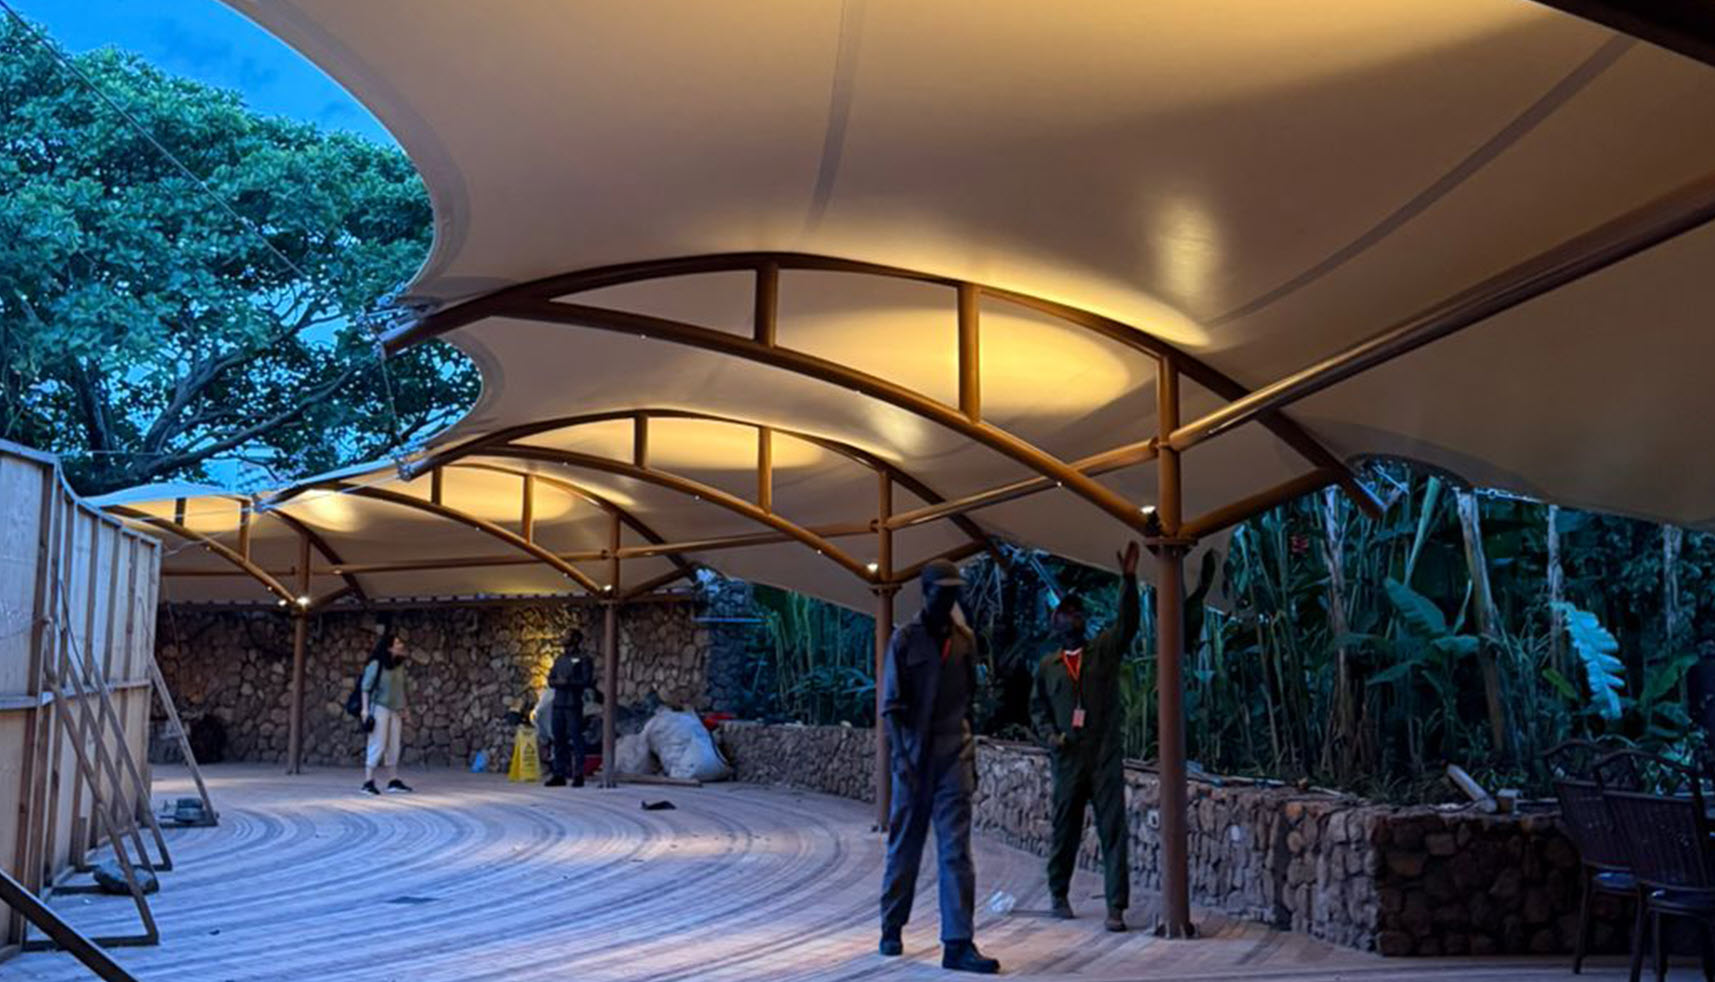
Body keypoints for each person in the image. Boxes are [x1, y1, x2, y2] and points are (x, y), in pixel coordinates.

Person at [878, 560, 1000, 974]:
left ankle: (958, 942)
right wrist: (901, 759)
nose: (949, 598)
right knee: (904, 848)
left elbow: (970, 703)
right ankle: (892, 924)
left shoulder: (965, 642)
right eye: (941, 591)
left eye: (954, 591)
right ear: (925, 593)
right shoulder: (904, 640)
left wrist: (972, 756)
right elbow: (891, 708)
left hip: (954, 755)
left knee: (956, 851)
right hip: (913, 758)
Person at [1031, 541, 1141, 932]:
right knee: (1065, 828)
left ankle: (1116, 907)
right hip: (1067, 756)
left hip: (1104, 754)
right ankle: (1058, 894)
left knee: (1114, 829)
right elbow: (1037, 709)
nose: (1071, 616)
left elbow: (1128, 623)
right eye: (1064, 612)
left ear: (1084, 619)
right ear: (1054, 622)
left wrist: (1128, 580)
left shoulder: (1104, 651)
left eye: (1076, 611)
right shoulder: (1048, 666)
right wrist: (1051, 738)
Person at [545, 630, 603, 788]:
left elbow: (586, 680)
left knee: (576, 738)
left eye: (567, 636)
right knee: (558, 739)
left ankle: (579, 774)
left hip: (573, 704)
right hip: (558, 704)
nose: (563, 639)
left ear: (576, 639)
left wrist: (568, 682)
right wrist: (558, 682)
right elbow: (550, 679)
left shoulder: (584, 659)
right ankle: (559, 774)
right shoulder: (560, 659)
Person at [360, 633, 413, 795]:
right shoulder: (376, 665)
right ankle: (368, 781)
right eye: (397, 643)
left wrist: (405, 708)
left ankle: (393, 780)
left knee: (394, 745)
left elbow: (403, 689)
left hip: (395, 709)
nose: (400, 645)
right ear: (389, 647)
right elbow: (365, 687)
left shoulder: (400, 666)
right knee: (377, 743)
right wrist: (365, 710)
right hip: (380, 708)